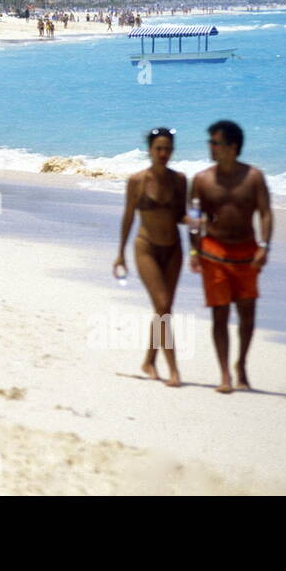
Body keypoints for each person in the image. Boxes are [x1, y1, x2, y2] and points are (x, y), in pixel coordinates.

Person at [189, 120, 273, 394]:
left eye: (215, 143)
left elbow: (265, 212)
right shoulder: (202, 180)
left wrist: (264, 245)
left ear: (232, 147)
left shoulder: (253, 177)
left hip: (246, 253)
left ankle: (242, 365)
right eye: (210, 143)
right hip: (213, 252)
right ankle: (224, 373)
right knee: (220, 314)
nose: (211, 148)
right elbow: (196, 219)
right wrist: (193, 249)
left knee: (247, 314)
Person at [114, 128, 188, 388]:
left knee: (162, 309)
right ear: (150, 150)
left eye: (167, 148)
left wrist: (198, 226)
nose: (163, 153)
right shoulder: (137, 181)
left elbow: (181, 215)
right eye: (158, 148)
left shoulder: (179, 180)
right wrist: (120, 254)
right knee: (164, 304)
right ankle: (174, 370)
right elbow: (128, 217)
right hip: (145, 247)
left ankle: (149, 361)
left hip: (174, 249)